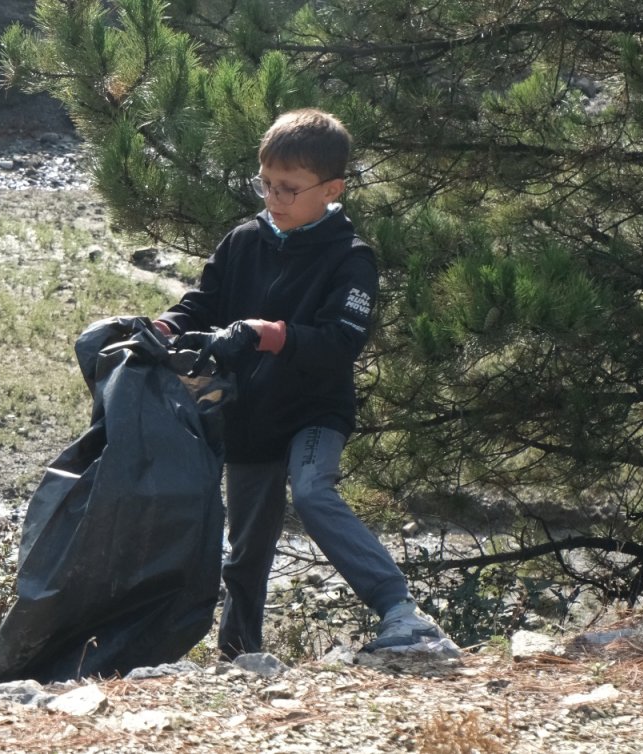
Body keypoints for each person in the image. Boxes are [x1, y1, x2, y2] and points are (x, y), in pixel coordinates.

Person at [152, 108, 457, 659]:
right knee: (246, 552)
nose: (274, 198)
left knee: (313, 490)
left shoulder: (351, 258)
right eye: (265, 184)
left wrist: (267, 334)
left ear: (331, 189)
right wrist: (167, 325)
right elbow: (204, 302)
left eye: (289, 189)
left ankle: (401, 613)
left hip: (315, 411)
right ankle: (240, 658)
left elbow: (341, 342)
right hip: (249, 418)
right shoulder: (244, 239)